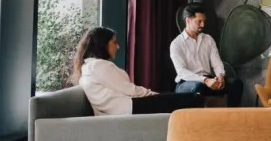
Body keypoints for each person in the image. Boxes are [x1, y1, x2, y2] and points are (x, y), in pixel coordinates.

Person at [75, 27, 204, 116]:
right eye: (114, 42)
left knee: (181, 99)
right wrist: (153, 94)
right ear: (103, 45)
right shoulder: (99, 66)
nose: (118, 46)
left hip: (124, 108)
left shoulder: (89, 67)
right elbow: (130, 90)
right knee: (192, 99)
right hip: (129, 108)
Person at [170, 3, 243, 107]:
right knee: (198, 87)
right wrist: (205, 80)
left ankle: (231, 115)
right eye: (199, 21)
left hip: (209, 80)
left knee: (235, 83)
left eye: (204, 21)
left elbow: (217, 63)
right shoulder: (176, 44)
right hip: (186, 83)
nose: (203, 25)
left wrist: (220, 76)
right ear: (188, 21)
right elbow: (182, 72)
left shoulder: (208, 39)